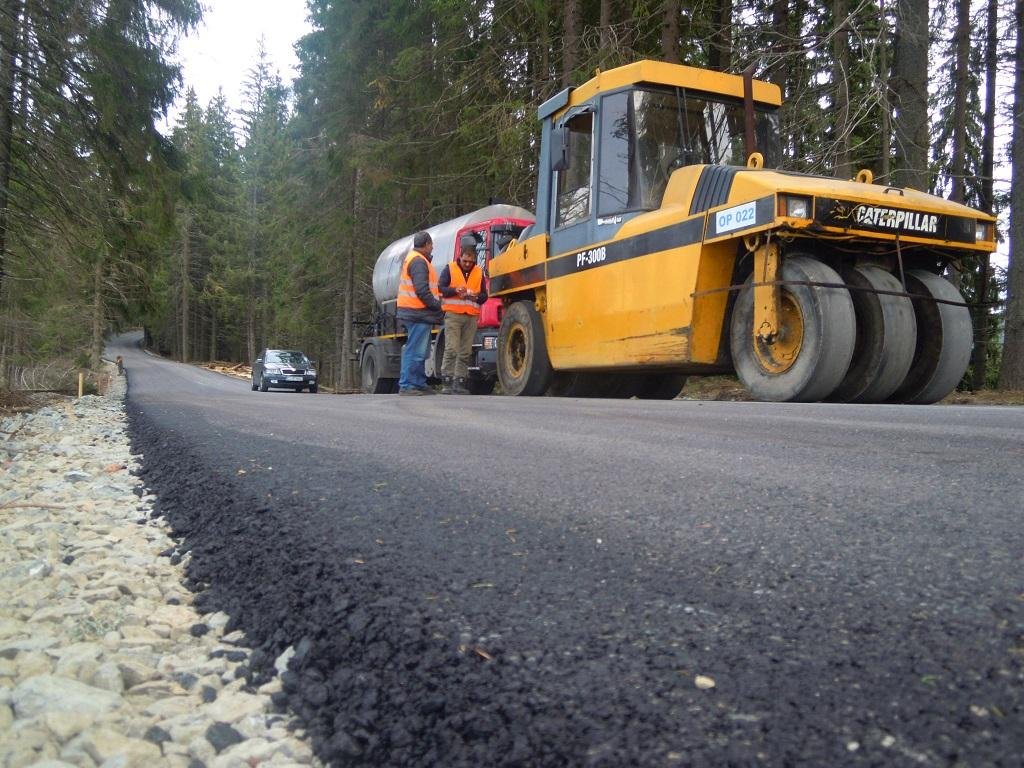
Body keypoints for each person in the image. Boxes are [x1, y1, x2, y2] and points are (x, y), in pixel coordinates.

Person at [438, 234, 488, 394]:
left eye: (470, 261)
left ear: (474, 260)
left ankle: (459, 382)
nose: (467, 264)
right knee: (451, 348)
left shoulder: (479, 273)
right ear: (460, 257)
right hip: (453, 315)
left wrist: (476, 297)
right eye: (465, 261)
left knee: (465, 351)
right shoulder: (450, 268)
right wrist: (454, 291)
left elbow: (484, 296)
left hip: (471, 316)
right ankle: (446, 380)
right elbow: (441, 289)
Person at [397, 231, 443, 395]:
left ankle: (418, 382)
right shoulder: (418, 261)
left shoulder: (415, 259)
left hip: (416, 312)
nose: (432, 248)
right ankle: (408, 384)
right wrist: (437, 305)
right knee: (415, 350)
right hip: (417, 312)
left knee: (420, 350)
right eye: (431, 244)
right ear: (426, 244)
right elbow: (422, 290)